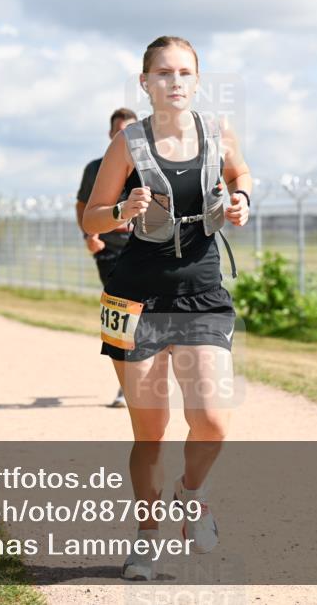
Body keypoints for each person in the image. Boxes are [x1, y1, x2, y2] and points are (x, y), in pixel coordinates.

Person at [82, 36, 252, 581]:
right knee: (150, 432)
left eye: (184, 73)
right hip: (136, 298)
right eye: (163, 73)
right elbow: (91, 217)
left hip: (202, 294)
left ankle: (192, 495)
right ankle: (147, 536)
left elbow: (240, 175)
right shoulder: (127, 143)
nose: (174, 82)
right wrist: (121, 210)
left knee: (213, 420)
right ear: (145, 82)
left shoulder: (217, 132)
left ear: (196, 81)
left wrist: (242, 200)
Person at [77, 107, 138, 408]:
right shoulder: (95, 169)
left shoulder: (150, 165)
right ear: (111, 134)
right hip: (110, 249)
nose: (124, 136)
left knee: (148, 313)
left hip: (144, 247)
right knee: (123, 311)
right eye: (119, 131)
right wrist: (89, 235)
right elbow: (82, 205)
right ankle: (127, 385)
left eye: (130, 130)